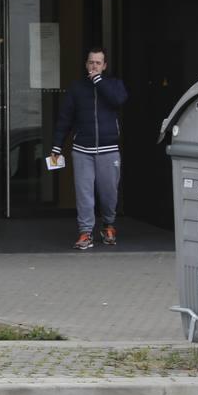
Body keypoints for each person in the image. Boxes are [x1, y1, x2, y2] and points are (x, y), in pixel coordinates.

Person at [50, 47, 129, 250]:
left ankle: (108, 225)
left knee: (109, 192)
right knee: (84, 193)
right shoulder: (77, 88)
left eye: (98, 63)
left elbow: (118, 100)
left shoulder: (114, 84)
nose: (94, 66)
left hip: (109, 148)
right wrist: (57, 146)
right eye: (91, 62)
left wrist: (99, 82)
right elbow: (65, 119)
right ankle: (85, 233)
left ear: (104, 66)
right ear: (86, 64)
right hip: (82, 149)